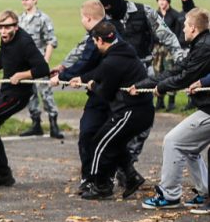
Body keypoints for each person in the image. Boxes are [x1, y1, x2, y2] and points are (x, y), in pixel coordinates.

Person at [98, 0, 185, 186]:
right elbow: (89, 46)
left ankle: (127, 164)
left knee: (143, 123)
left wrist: (181, 59)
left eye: (110, 7)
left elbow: (168, 36)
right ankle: (121, 167)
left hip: (143, 72)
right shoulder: (105, 21)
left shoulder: (143, 11)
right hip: (118, 76)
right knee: (117, 122)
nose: (109, 12)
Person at [66, 22, 155, 200]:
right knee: (115, 142)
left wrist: (92, 86)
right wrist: (82, 78)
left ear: (99, 40)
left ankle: (100, 185)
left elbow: (105, 92)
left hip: (131, 112)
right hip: (140, 111)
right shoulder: (122, 50)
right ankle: (131, 177)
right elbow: (101, 72)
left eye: (94, 41)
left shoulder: (112, 61)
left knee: (98, 143)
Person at [136, 8, 210, 210]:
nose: (183, 28)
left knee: (173, 141)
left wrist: (161, 87)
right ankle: (205, 193)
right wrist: (145, 85)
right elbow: (179, 69)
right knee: (190, 148)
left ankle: (169, 195)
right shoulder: (200, 44)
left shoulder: (204, 47)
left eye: (185, 24)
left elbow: (185, 77)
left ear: (193, 28)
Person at [0, 10, 50, 187]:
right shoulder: (6, 41)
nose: (4, 31)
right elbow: (0, 61)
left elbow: (43, 68)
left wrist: (22, 75)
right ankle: (4, 175)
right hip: (6, 92)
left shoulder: (25, 42)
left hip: (17, 95)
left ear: (16, 26)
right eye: (1, 27)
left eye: (8, 27)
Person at [16, 0, 63, 139]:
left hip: (40, 61)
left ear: (35, 0)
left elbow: (51, 41)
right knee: (30, 94)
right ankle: (36, 124)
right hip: (26, 63)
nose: (25, 1)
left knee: (46, 92)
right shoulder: (20, 19)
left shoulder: (43, 18)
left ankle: (53, 124)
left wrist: (45, 61)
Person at [153, 0, 185, 111]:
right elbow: (152, 31)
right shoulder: (155, 15)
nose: (161, 2)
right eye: (159, 0)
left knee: (171, 73)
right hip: (157, 48)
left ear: (168, 1)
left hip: (169, 49)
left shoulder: (175, 15)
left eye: (163, 0)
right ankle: (160, 100)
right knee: (158, 73)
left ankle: (171, 101)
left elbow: (177, 33)